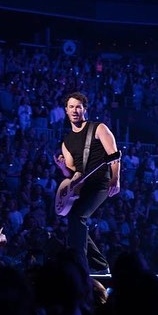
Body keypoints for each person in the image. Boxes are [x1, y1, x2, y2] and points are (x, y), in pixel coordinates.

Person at [53, 91, 120, 275]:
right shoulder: (66, 142)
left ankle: (80, 266)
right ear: (66, 110)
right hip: (82, 186)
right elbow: (72, 173)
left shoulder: (98, 128)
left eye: (78, 107)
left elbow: (114, 155)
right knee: (75, 220)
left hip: (101, 183)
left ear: (85, 110)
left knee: (78, 217)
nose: (75, 110)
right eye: (71, 107)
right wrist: (62, 168)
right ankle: (99, 265)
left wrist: (115, 179)